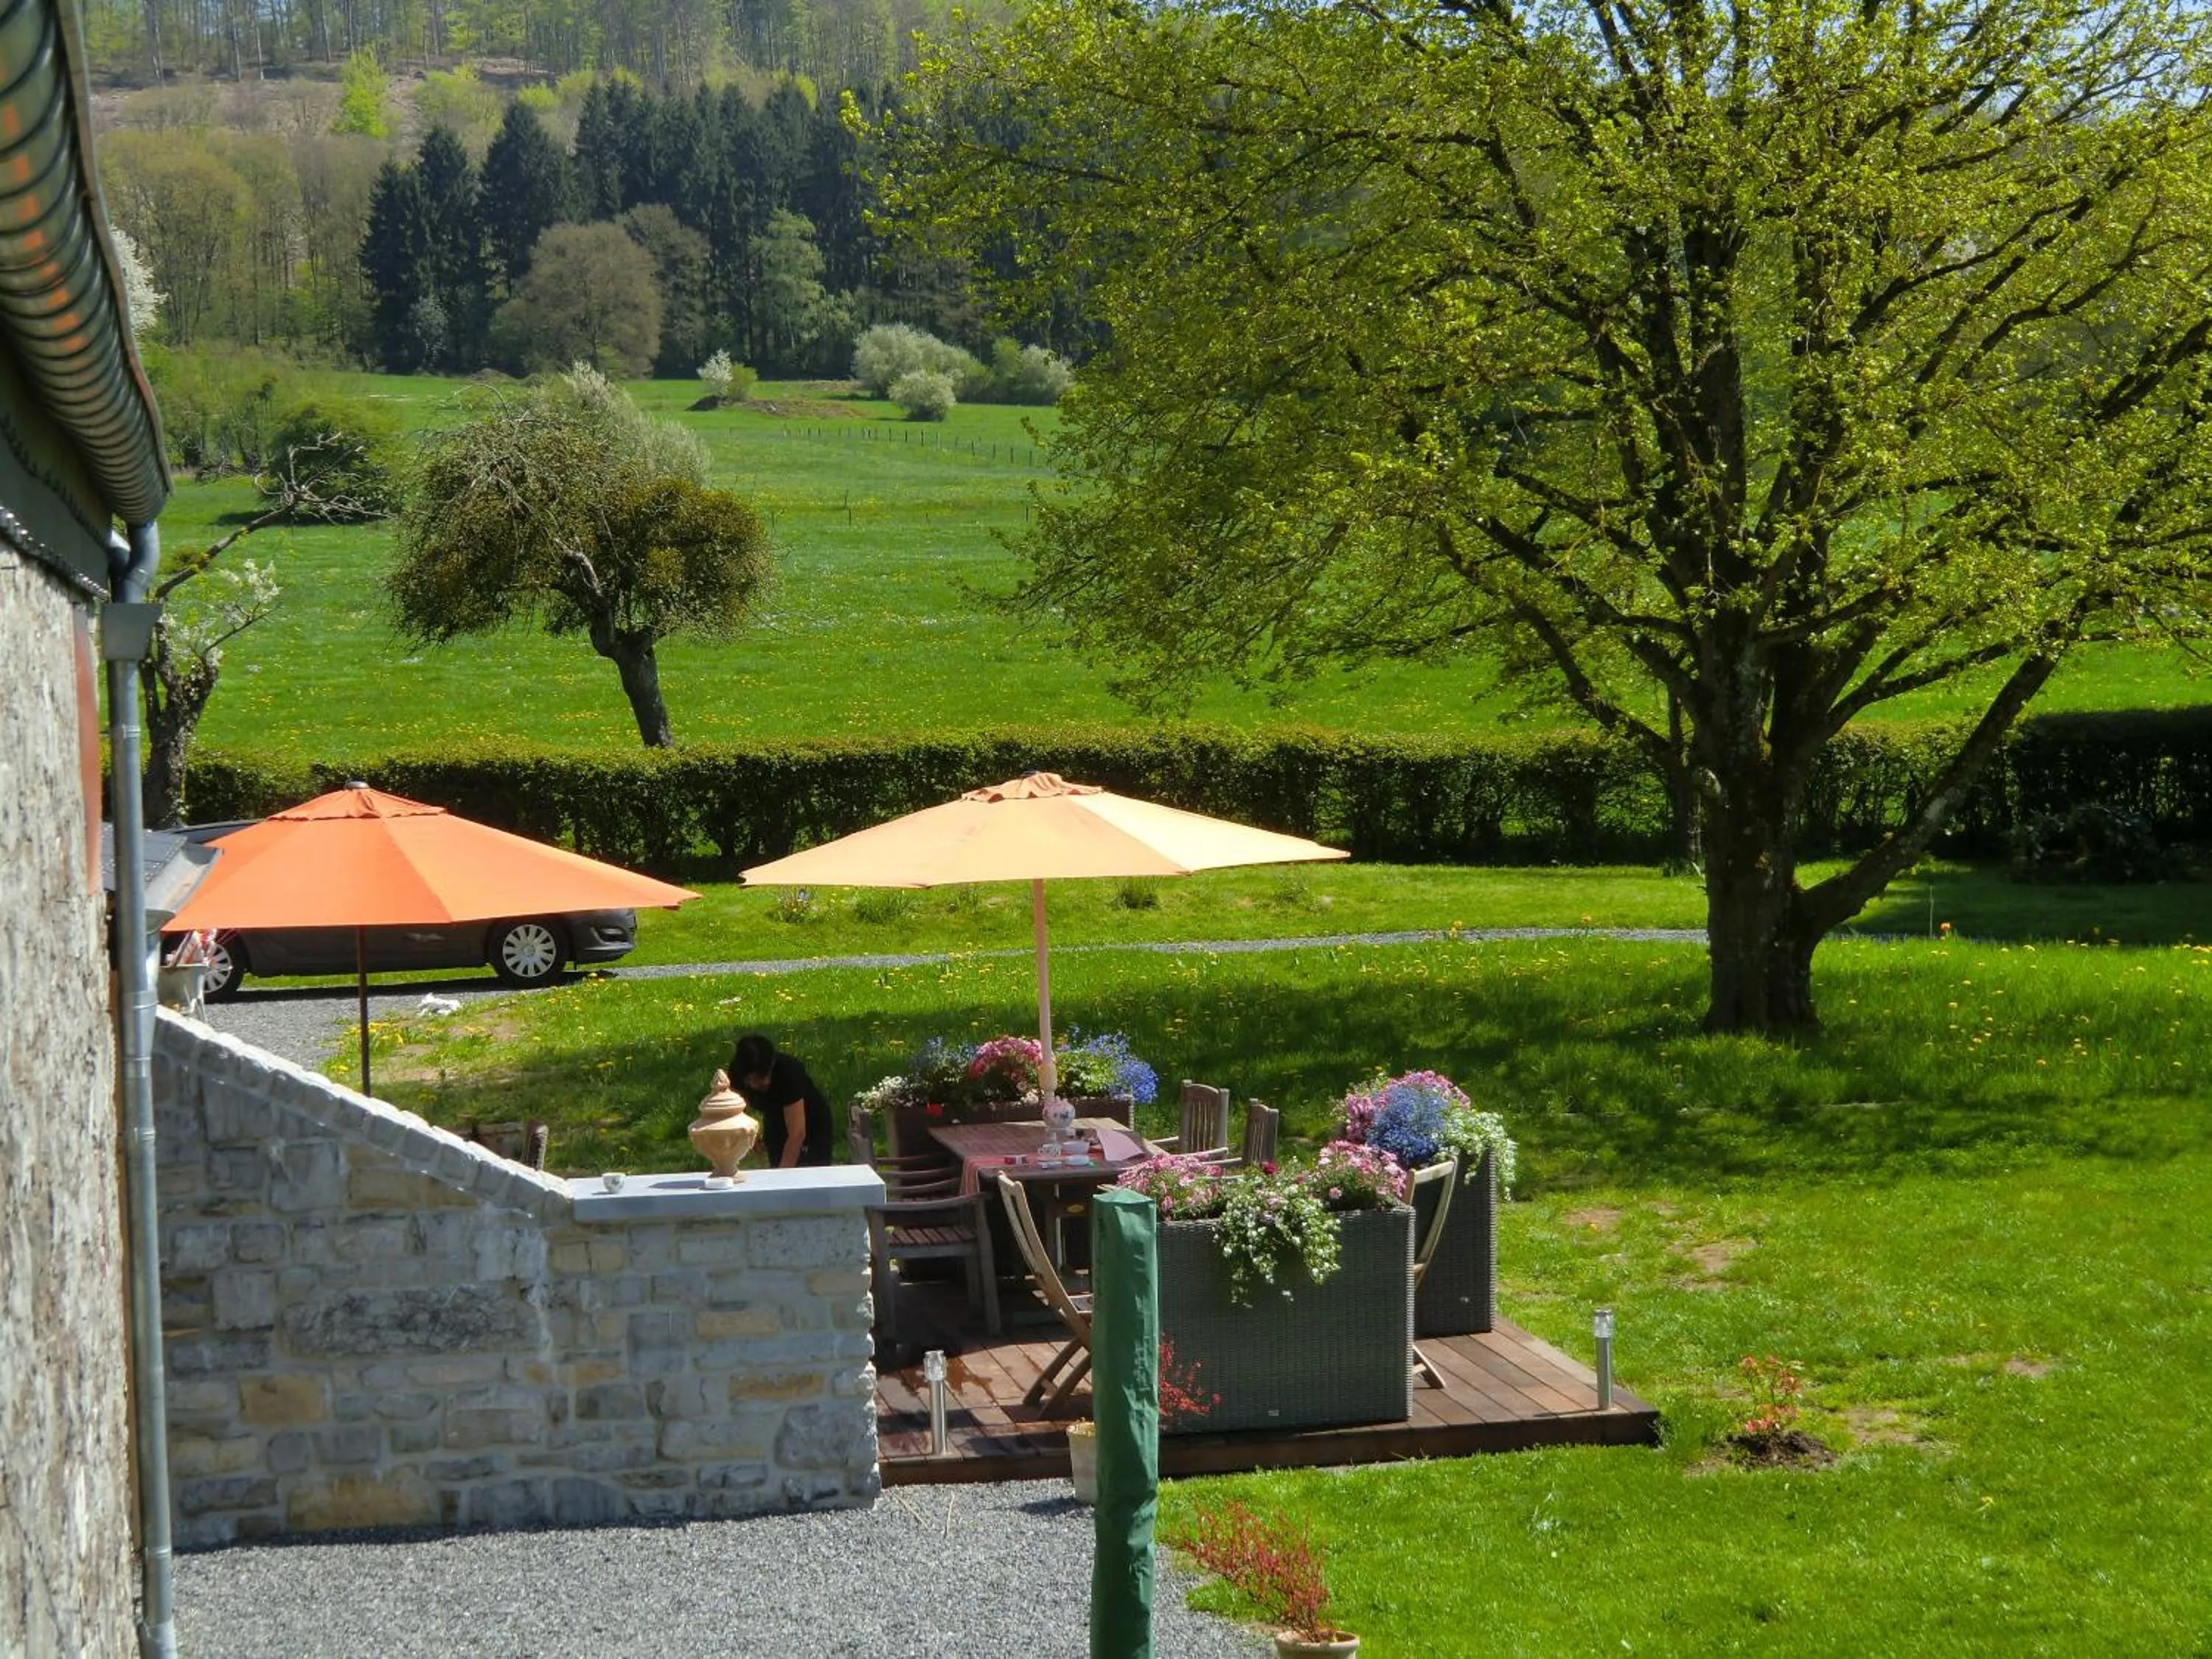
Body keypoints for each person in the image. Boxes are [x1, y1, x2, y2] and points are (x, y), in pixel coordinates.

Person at [730, 1032, 833, 1169]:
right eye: (753, 1080)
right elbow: (737, 1108)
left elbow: (797, 1134)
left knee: (809, 1175)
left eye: (766, 1075)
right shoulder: (736, 1074)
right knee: (777, 1163)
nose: (763, 1083)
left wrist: (782, 1176)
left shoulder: (789, 1072)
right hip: (775, 1118)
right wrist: (749, 1134)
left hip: (811, 1123)